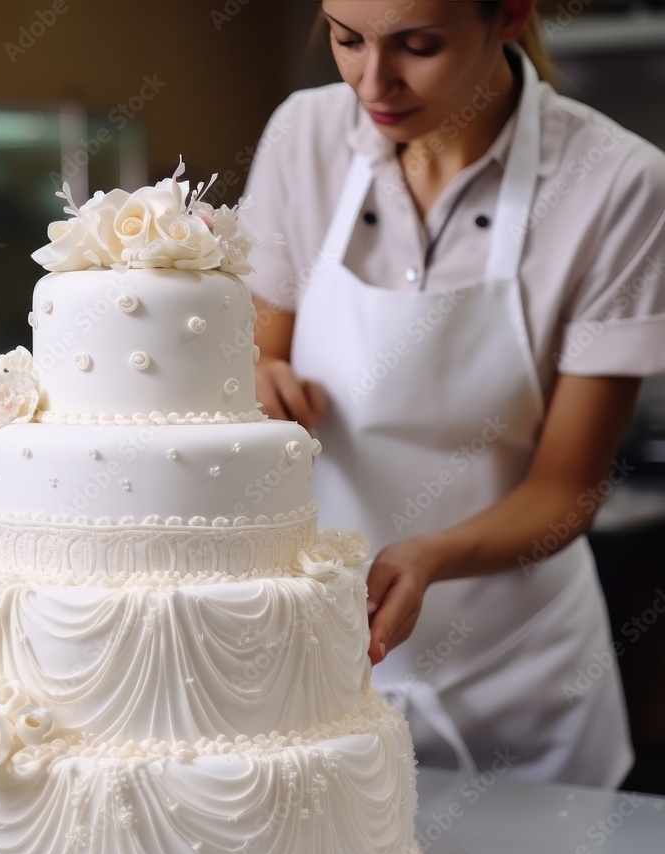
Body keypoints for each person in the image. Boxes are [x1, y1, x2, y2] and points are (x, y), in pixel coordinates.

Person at [241, 0, 665, 787]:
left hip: (518, 674)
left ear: (508, 16)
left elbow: (567, 491)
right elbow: (267, 353)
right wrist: (258, 380)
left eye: (419, 46)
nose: (375, 81)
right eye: (346, 39)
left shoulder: (615, 184)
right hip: (326, 660)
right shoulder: (304, 137)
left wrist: (428, 558)